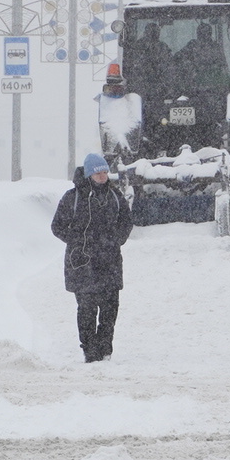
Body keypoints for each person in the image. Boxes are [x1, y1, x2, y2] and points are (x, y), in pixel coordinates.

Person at [50, 153, 133, 363]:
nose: (103, 176)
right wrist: (77, 242)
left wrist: (116, 240)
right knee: (86, 309)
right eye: (98, 173)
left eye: (105, 172)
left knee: (109, 309)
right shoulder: (73, 197)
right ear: (89, 174)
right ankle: (90, 351)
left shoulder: (115, 196)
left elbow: (126, 222)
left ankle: (105, 350)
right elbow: (57, 226)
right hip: (82, 265)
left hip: (110, 263)